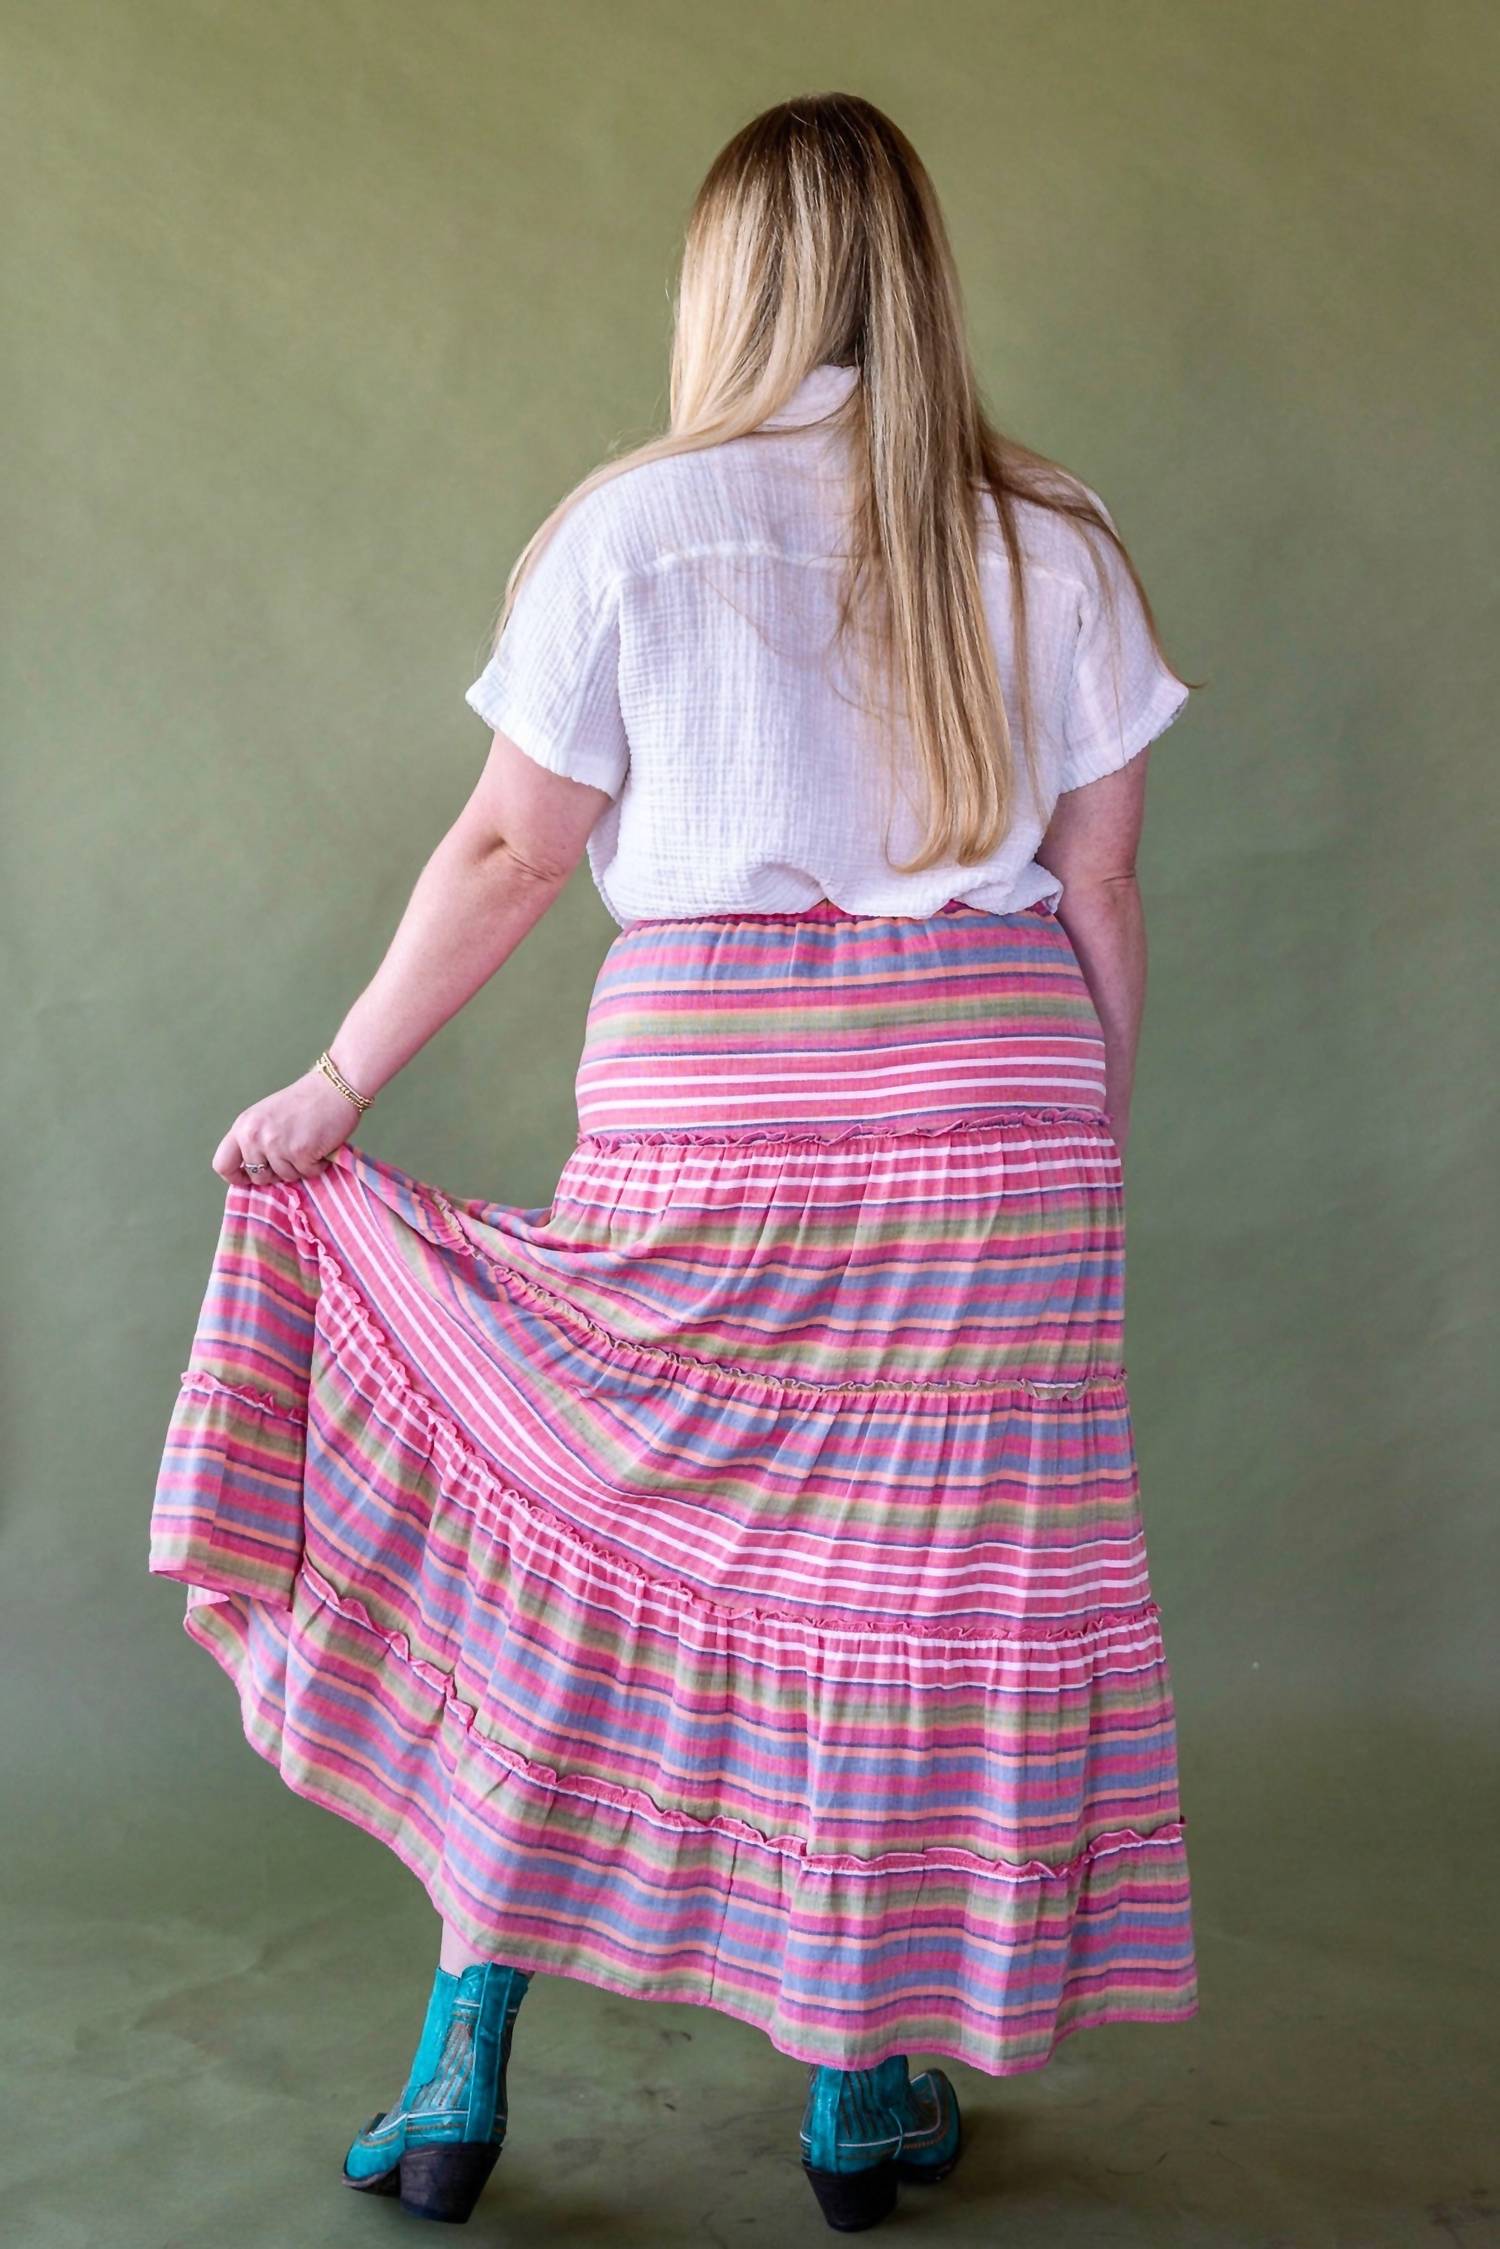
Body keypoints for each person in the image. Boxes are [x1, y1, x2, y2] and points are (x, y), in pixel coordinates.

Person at [148, 89, 1200, 2234]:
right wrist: (1076, 1138)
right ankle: (857, 2094)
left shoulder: (631, 531)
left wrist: (338, 1082)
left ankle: (460, 2068)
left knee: (575, 1560)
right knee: (903, 1605)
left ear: (729, 283)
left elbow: (511, 850)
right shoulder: (1057, 537)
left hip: (715, 1093)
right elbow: (1099, 883)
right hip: (997, 1114)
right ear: (919, 278)